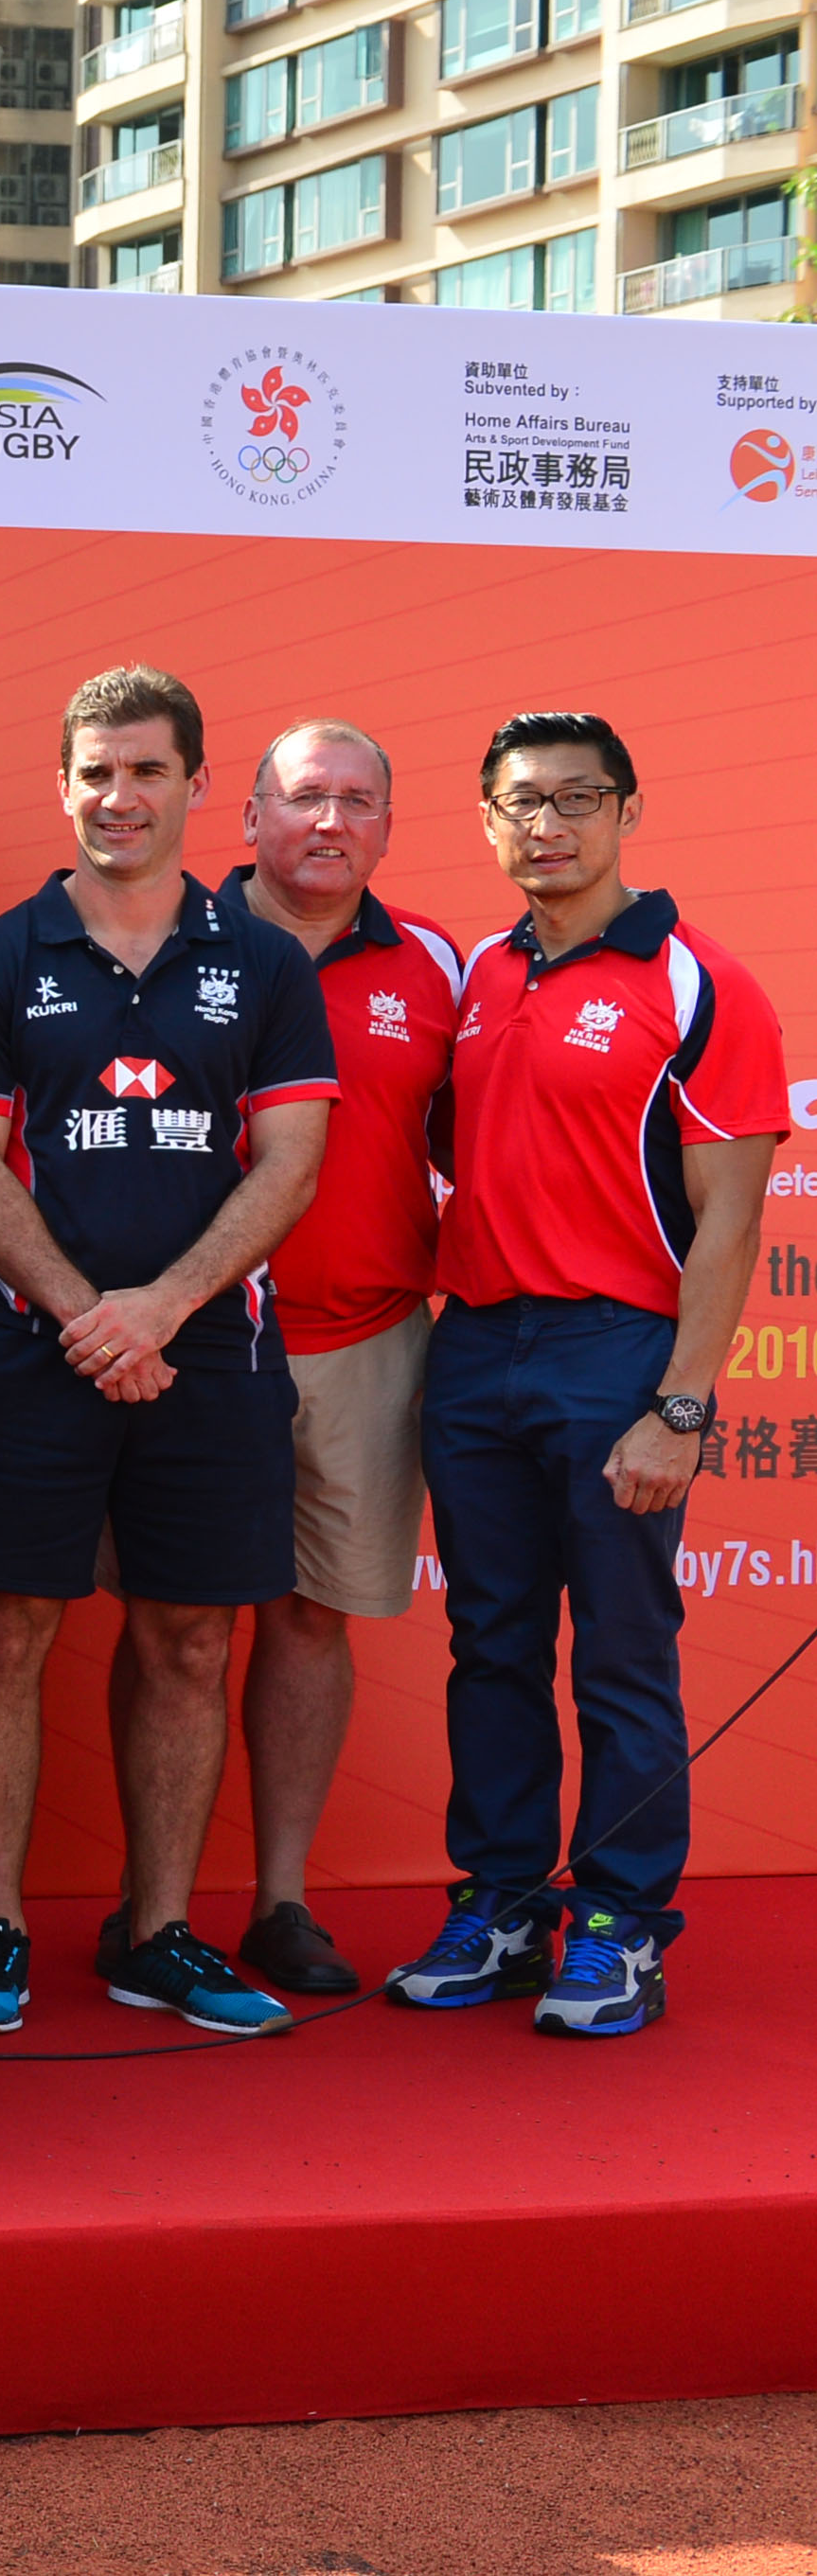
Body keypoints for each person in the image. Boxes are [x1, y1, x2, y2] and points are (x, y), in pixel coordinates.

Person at [0, 666, 334, 2038]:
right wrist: (84, 1312)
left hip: (205, 1352)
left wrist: (159, 1307)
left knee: (191, 1641)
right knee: (5, 1632)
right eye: (94, 770)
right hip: (25, 1349)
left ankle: (156, 1930)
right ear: (62, 783)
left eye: (147, 769)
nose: (119, 796)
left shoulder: (262, 961)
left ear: (198, 784)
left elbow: (290, 1161)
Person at [392, 713, 784, 2039]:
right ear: (487, 820)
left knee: (620, 1650)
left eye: (575, 798)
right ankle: (501, 1902)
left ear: (626, 811)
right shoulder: (477, 973)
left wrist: (679, 1404)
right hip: (473, 1345)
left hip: (615, 1350)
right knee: (490, 1643)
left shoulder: (697, 980)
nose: (546, 824)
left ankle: (618, 1923)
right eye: (520, 802)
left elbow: (730, 1218)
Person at [216, 724, 466, 1997]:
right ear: (249, 814)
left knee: (312, 1621)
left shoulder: (438, 963)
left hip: (369, 1338)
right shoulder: (177, 940)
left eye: (356, 800)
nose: (329, 820)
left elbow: (485, 1147)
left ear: (387, 826)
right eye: (304, 795)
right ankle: (154, 1912)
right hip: (198, 1339)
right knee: (176, 1623)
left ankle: (282, 1901)